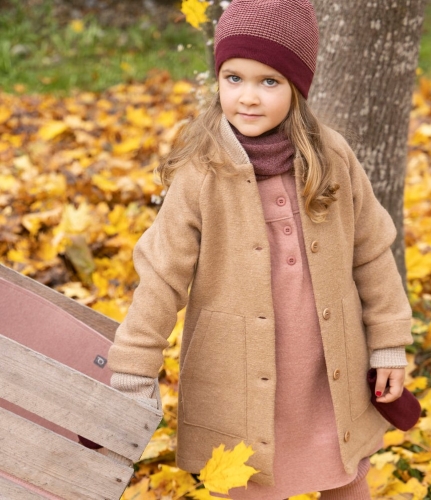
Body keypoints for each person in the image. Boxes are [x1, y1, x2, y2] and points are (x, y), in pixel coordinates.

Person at [107, 0, 414, 498]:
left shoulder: (332, 157)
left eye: (269, 81)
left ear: (297, 86)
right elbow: (162, 273)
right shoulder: (201, 171)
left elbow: (372, 252)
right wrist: (136, 362)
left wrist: (388, 343)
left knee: (345, 472)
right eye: (234, 78)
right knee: (250, 481)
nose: (248, 97)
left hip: (327, 371)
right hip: (238, 381)